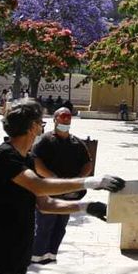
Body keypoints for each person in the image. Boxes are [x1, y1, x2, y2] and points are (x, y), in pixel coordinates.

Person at [0, 99, 125, 274]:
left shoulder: (26, 159)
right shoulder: (5, 156)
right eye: (39, 122)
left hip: (18, 252)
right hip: (0, 254)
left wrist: (86, 207)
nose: (41, 127)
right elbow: (40, 186)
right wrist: (92, 182)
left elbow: (46, 204)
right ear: (32, 127)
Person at [30, 107, 93, 264]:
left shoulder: (76, 143)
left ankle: (51, 256)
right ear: (55, 119)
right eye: (63, 116)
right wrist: (52, 178)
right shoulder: (44, 140)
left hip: (68, 195)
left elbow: (87, 164)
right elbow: (36, 162)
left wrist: (78, 180)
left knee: (60, 227)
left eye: (68, 117)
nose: (66, 119)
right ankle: (37, 257)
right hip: (48, 193)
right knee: (44, 226)